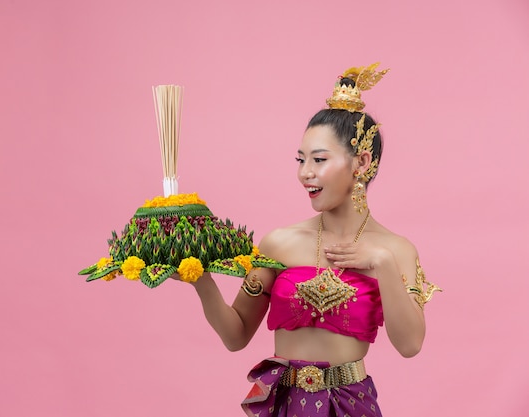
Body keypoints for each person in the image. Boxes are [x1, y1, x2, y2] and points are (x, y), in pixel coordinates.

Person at [186, 63, 441, 416]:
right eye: (301, 160)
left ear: (361, 162)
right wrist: (201, 280)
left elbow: (411, 345)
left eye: (319, 160)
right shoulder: (279, 243)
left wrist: (382, 263)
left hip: (350, 406)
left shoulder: (396, 250)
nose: (305, 173)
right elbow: (236, 335)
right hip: (284, 405)